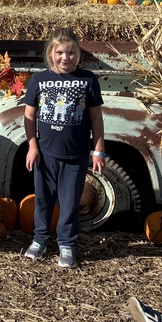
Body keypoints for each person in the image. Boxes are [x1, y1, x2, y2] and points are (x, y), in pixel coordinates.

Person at [23, 27, 105, 269]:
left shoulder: (88, 80)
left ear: (77, 54)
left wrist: (98, 150)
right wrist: (32, 147)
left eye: (70, 53)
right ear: (51, 52)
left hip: (76, 155)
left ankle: (67, 244)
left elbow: (97, 119)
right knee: (43, 201)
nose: (65, 58)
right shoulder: (39, 80)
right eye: (60, 52)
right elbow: (29, 117)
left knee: (69, 203)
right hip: (45, 155)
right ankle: (39, 240)